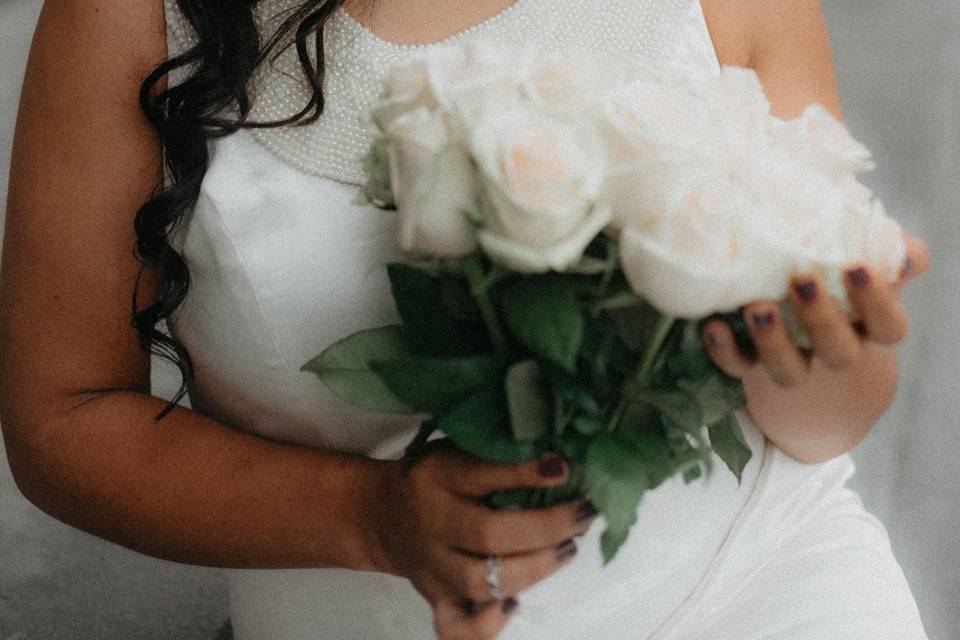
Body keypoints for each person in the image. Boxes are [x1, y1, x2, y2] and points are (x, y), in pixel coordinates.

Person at [0, 0, 931, 638]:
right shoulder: (128, 16)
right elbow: (62, 417)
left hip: (762, 581)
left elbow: (829, 423)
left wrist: (818, 361)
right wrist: (372, 520)